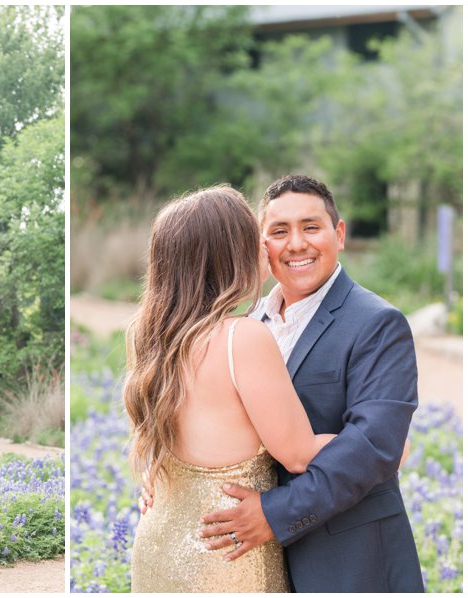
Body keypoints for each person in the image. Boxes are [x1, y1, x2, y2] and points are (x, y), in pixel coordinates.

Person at [143, 175, 423, 592]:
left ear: (339, 234)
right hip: (243, 559)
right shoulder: (242, 328)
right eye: (278, 231)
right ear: (258, 244)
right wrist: (165, 474)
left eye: (311, 227)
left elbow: (373, 444)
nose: (296, 244)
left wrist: (275, 513)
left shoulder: (378, 323)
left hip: (348, 559)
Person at [124, 185, 338, 592]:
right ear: (230, 254)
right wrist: (378, 443)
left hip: (158, 542)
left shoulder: (150, 337)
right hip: (223, 555)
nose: (264, 245)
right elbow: (297, 453)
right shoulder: (243, 336)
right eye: (253, 236)